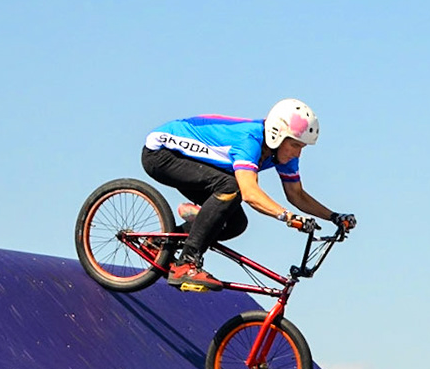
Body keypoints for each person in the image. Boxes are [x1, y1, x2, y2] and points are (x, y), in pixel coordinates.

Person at [141, 100, 356, 291]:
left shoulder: (280, 152)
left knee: (236, 224)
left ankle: (160, 242)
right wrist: (287, 217)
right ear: (277, 134)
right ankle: (185, 264)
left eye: (302, 147)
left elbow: (296, 194)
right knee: (232, 187)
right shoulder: (249, 140)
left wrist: (333, 216)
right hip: (161, 155)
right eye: (295, 145)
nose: (298, 153)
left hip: (197, 165)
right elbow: (250, 193)